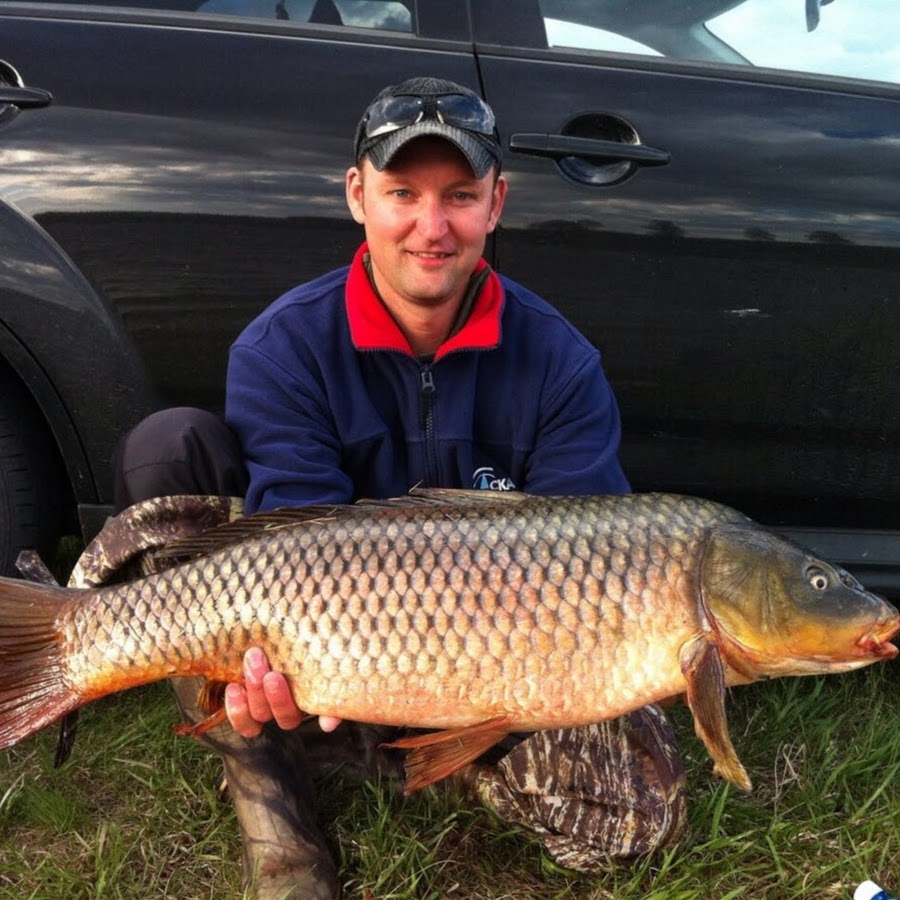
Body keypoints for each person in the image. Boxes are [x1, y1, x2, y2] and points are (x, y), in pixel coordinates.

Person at [114, 76, 686, 900]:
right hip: (324, 639)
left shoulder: (561, 363)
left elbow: (592, 564)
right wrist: (259, 664)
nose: (432, 226)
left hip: (491, 657)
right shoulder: (285, 346)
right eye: (402, 193)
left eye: (459, 195)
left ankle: (407, 753)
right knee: (172, 451)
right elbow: (290, 541)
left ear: (496, 203)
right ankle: (278, 818)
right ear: (358, 196)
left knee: (634, 818)